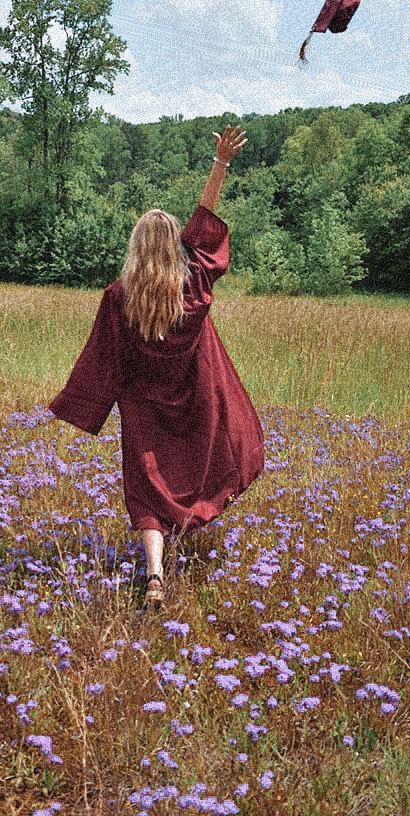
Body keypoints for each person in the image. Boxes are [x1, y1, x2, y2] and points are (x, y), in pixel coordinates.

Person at [47, 125, 266, 610]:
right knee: (194, 470)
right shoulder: (193, 285)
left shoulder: (118, 297)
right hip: (196, 397)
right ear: (175, 246)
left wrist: (81, 404)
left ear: (136, 247)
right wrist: (221, 163)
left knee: (147, 493)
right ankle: (179, 541)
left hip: (143, 407)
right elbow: (206, 225)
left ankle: (154, 576)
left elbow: (104, 359)